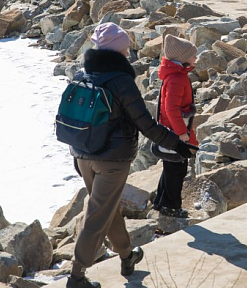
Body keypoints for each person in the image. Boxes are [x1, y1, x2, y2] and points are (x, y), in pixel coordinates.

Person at [67, 23, 198, 288]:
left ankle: (127, 256)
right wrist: (177, 144)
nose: (128, 52)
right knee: (97, 214)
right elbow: (145, 123)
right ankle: (76, 276)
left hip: (82, 155)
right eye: (126, 48)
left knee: (107, 207)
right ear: (116, 50)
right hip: (111, 162)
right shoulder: (121, 81)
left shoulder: (83, 73)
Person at [152, 35, 198, 218]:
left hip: (170, 130)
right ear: (182, 58)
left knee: (170, 166)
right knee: (177, 169)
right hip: (176, 133)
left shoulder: (175, 75)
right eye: (193, 55)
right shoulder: (177, 78)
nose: (195, 58)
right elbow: (171, 108)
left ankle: (160, 202)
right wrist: (181, 134)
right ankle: (171, 207)